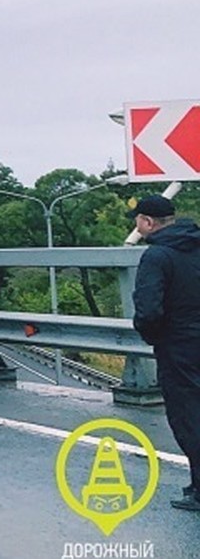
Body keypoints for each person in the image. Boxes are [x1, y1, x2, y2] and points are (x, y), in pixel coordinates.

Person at [130, 195, 200, 511]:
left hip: (179, 346)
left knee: (188, 417)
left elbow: (148, 311)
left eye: (138, 220)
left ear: (147, 222)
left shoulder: (157, 256)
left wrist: (154, 337)